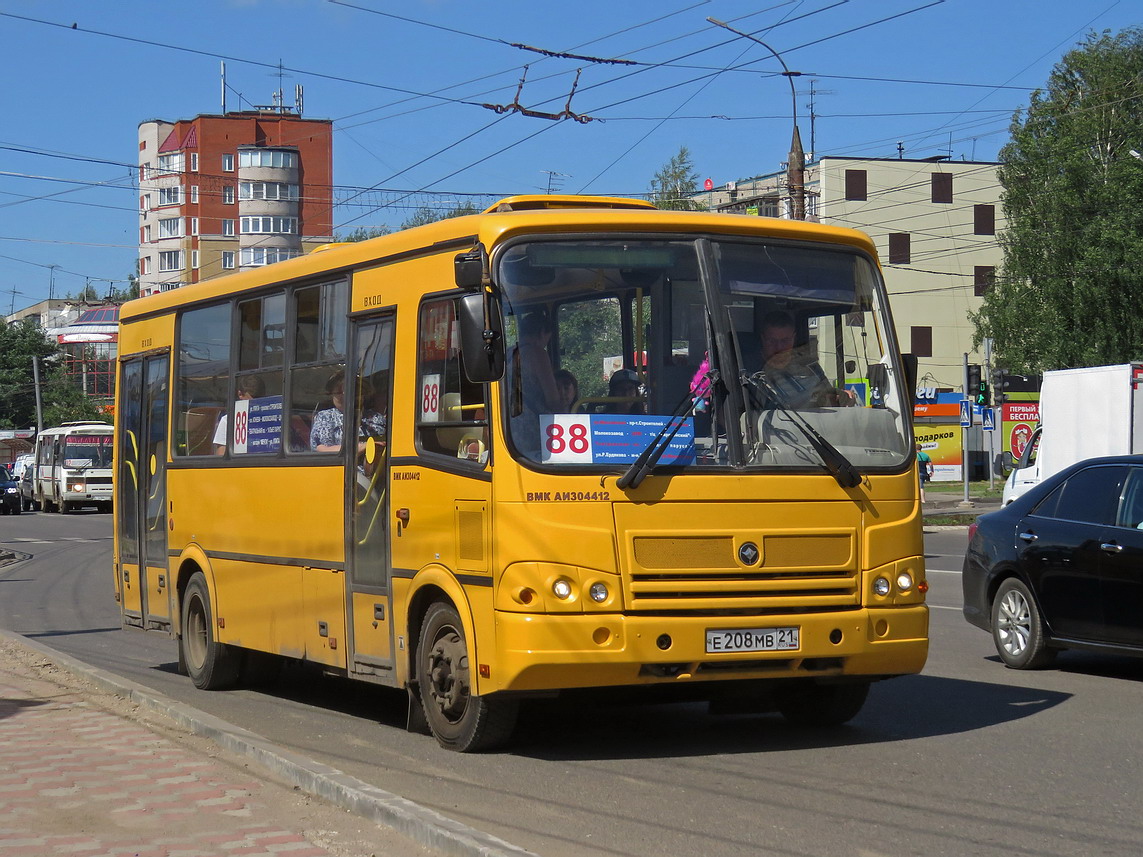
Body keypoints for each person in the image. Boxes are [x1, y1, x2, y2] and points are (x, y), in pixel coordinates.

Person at [757, 311, 854, 408]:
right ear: (763, 339)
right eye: (772, 341)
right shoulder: (753, 370)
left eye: (785, 341)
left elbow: (827, 394)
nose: (779, 347)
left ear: (793, 338)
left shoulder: (809, 365)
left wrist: (841, 396)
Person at [310, 368, 385, 454]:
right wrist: (361, 447)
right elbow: (321, 449)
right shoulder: (325, 417)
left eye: (353, 392)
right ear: (332, 394)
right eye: (339, 392)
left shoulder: (377, 418)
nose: (345, 396)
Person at [213, 375, 266, 455]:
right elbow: (221, 455)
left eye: (259, 400)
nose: (256, 406)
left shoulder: (271, 419)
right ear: (240, 394)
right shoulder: (228, 421)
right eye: (251, 402)